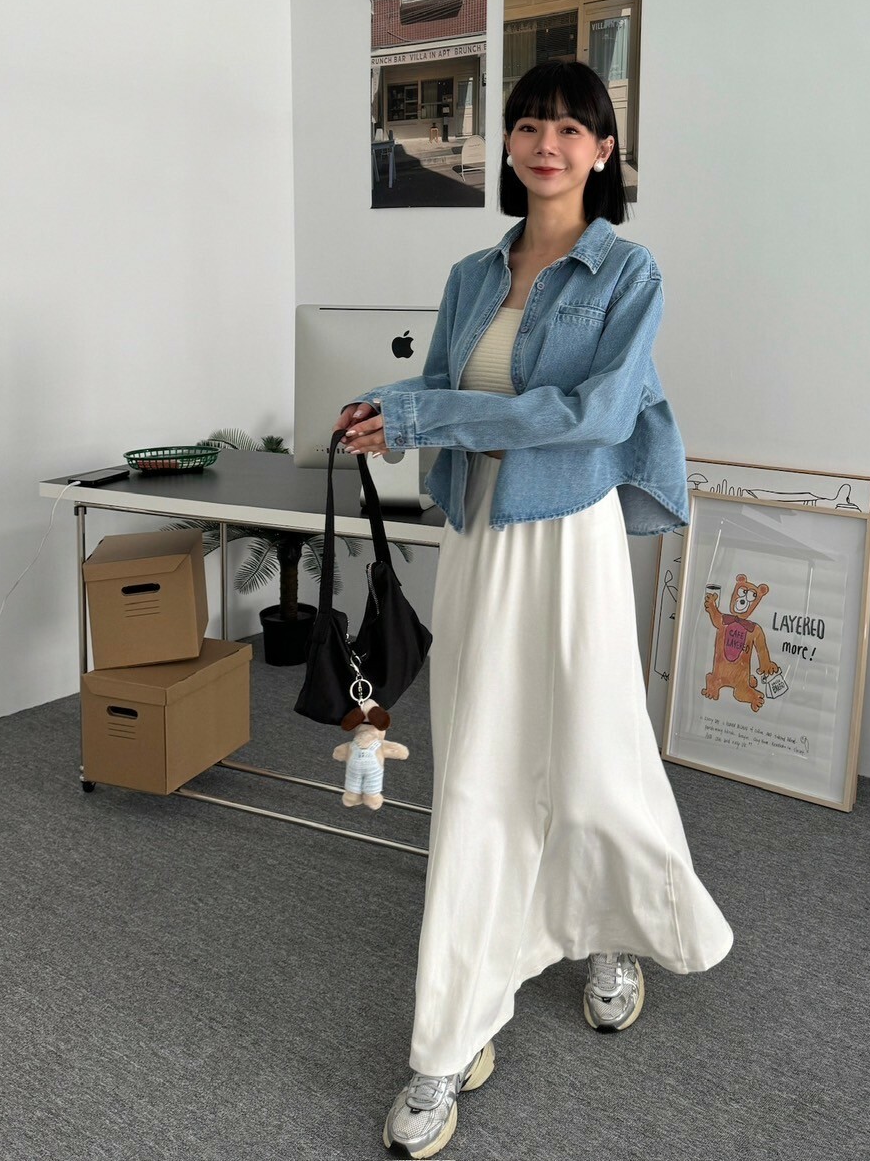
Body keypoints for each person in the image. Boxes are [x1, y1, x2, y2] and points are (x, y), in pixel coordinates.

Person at [336, 59, 733, 1159]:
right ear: (506, 146)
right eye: (526, 125)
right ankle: (449, 1035)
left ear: (603, 151)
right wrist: (389, 414)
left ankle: (612, 930)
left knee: (595, 755)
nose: (544, 144)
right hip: (478, 539)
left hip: (570, 540)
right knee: (477, 772)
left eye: (568, 127)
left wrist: (430, 415)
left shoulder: (627, 271)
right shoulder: (472, 273)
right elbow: (456, 394)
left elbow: (594, 414)